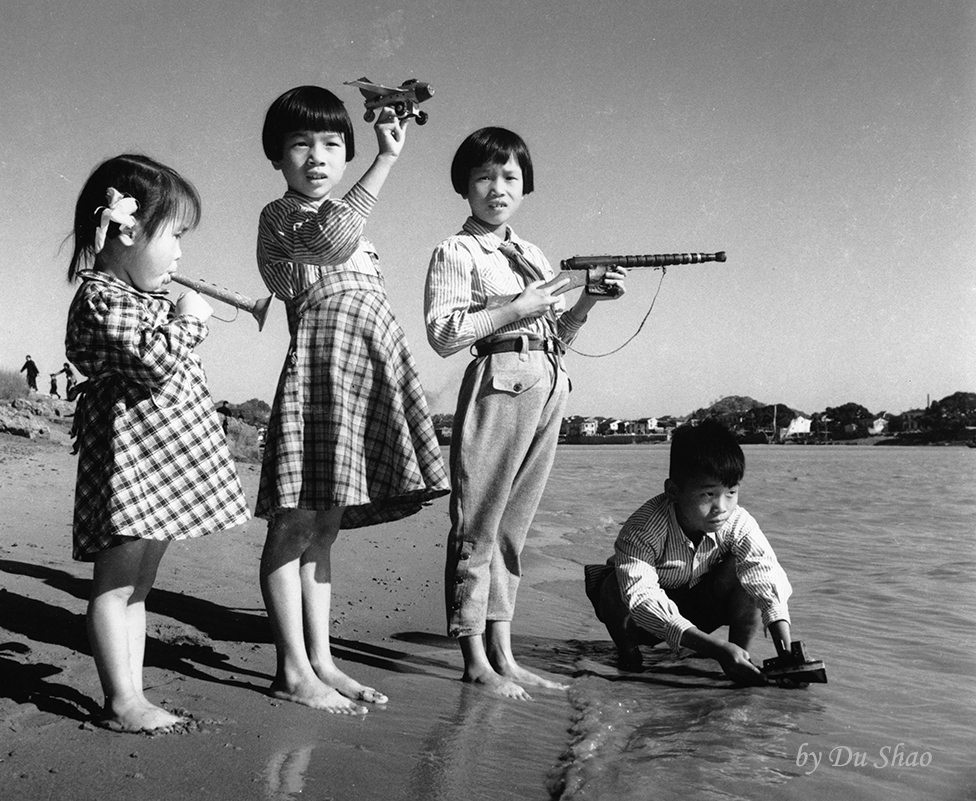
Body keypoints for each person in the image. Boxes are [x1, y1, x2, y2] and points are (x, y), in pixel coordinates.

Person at [256, 85, 449, 715]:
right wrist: (386, 160)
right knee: (294, 527)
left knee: (324, 532)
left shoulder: (356, 229)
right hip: (318, 382)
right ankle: (291, 669)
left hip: (363, 384)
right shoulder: (281, 220)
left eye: (333, 143)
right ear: (277, 156)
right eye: (300, 144)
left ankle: (323, 661)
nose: (318, 156)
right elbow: (328, 243)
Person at [424, 127, 627, 700]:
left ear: (525, 186)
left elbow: (557, 334)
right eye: (484, 176)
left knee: (513, 532)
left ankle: (504, 656)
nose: (497, 188)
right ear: (464, 184)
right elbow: (443, 334)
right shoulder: (455, 251)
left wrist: (588, 300)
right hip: (498, 382)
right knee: (477, 525)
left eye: (509, 177)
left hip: (548, 383)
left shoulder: (534, 255)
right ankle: (473, 660)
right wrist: (517, 306)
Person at [64, 154, 250, 732]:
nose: (178, 254)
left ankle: (133, 692)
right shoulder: (101, 297)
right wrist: (190, 319)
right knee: (116, 585)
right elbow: (155, 362)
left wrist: (174, 311)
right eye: (173, 236)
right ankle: (121, 701)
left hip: (157, 464)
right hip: (130, 464)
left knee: (138, 588)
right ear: (125, 230)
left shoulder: (138, 299)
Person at [584, 418, 795, 685]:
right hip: (643, 622)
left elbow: (764, 572)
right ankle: (629, 658)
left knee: (749, 575)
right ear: (673, 491)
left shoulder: (739, 522)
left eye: (731, 492)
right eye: (708, 495)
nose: (722, 507)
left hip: (699, 606)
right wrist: (714, 648)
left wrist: (786, 652)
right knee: (614, 584)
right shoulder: (643, 529)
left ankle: (740, 660)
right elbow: (641, 599)